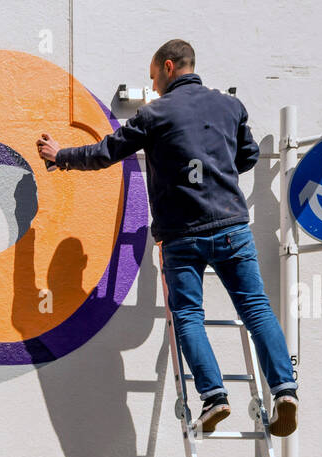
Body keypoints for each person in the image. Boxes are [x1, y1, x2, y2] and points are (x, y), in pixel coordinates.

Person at [37, 38, 298, 436]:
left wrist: (61, 156)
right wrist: (216, 168)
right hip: (231, 228)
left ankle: (214, 398)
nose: (154, 86)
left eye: (154, 76)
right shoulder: (231, 106)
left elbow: (107, 153)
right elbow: (246, 157)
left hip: (181, 237)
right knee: (257, 310)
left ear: (170, 66)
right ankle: (284, 390)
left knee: (189, 316)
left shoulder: (154, 114)